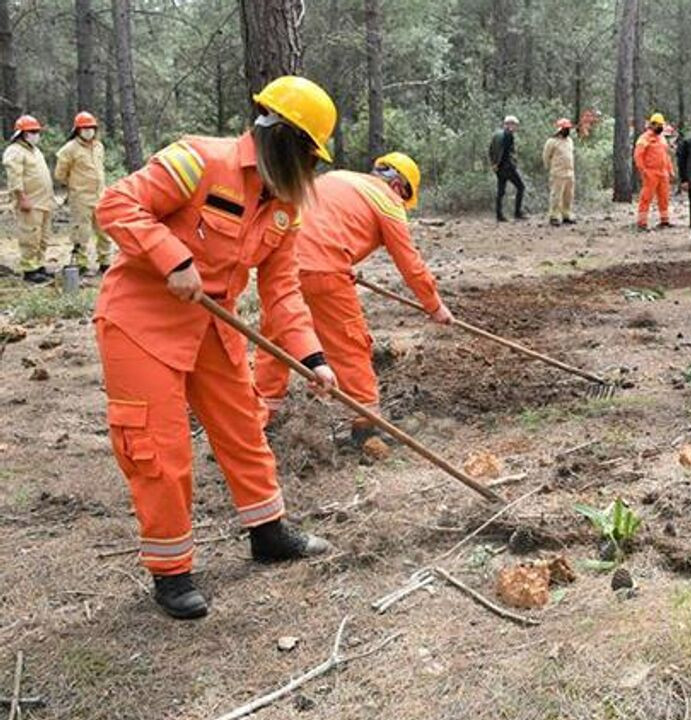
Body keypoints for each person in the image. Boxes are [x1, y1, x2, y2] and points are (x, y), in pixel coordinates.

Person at [94, 75, 340, 620]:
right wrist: (171, 258)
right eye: (310, 156)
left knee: (243, 429)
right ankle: (172, 571)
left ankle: (267, 532)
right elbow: (116, 205)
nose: (312, 170)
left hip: (214, 326)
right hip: (142, 322)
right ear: (284, 139)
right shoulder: (197, 160)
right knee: (159, 448)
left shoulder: (284, 207)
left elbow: (283, 292)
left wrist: (314, 359)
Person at [255, 151, 452, 442]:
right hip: (325, 271)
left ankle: (259, 422)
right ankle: (366, 426)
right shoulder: (388, 202)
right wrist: (435, 306)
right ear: (400, 187)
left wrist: (343, 264)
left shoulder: (338, 177)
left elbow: (321, 225)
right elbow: (410, 264)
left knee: (275, 343)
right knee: (349, 344)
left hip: (279, 266)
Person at [55, 111, 111, 275]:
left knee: (104, 231)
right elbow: (60, 174)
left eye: (91, 128)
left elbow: (101, 170)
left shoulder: (99, 146)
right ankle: (82, 264)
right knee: (81, 232)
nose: (88, 131)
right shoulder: (69, 149)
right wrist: (75, 186)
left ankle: (105, 262)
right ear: (77, 130)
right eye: (84, 128)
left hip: (100, 196)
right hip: (80, 198)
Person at [4, 115, 54, 284]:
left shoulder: (35, 150)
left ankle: (39, 265)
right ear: (22, 133)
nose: (36, 134)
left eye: (37, 131)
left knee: (43, 237)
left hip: (44, 202)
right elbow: (14, 177)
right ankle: (29, 270)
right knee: (30, 236)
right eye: (32, 131)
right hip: (29, 202)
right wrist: (21, 198)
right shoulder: (15, 151)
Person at [634, 112, 672, 230]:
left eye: (662, 124)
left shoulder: (662, 138)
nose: (660, 127)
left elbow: (666, 155)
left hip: (663, 172)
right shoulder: (644, 138)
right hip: (650, 172)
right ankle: (642, 222)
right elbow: (638, 155)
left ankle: (664, 220)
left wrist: (670, 169)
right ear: (652, 125)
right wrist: (643, 170)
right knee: (646, 197)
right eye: (658, 125)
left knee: (664, 197)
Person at [489, 115, 526, 221]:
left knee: (500, 191)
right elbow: (507, 152)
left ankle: (499, 214)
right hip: (507, 167)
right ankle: (517, 213)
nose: (516, 128)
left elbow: (491, 150)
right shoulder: (508, 135)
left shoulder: (496, 134)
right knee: (521, 187)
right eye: (515, 125)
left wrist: (494, 164)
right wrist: (512, 164)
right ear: (509, 124)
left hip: (499, 168)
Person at [542, 118, 576, 226]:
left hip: (569, 173)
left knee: (568, 195)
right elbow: (546, 156)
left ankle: (566, 214)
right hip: (557, 173)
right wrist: (549, 168)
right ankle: (554, 216)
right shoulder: (551, 142)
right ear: (560, 129)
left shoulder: (569, 141)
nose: (567, 131)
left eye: (568, 129)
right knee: (556, 195)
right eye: (566, 129)